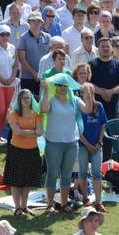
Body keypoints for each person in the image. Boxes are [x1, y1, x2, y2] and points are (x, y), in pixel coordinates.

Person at [39, 73, 93, 215]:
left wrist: (87, 94)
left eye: (65, 85)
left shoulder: (74, 100)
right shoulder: (51, 99)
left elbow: (88, 109)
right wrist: (45, 91)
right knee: (52, 174)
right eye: (59, 85)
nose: (62, 87)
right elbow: (43, 109)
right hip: (54, 142)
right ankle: (50, 205)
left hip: (71, 142)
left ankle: (64, 204)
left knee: (66, 175)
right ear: (55, 86)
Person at [3, 89, 42, 216]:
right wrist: (33, 132)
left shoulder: (36, 114)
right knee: (15, 180)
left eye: (29, 97)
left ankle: (24, 207)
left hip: (32, 150)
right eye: (24, 98)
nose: (26, 100)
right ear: (19, 100)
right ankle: (17, 207)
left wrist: (25, 132)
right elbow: (17, 132)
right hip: (17, 150)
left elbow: (40, 131)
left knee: (27, 181)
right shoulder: (14, 114)